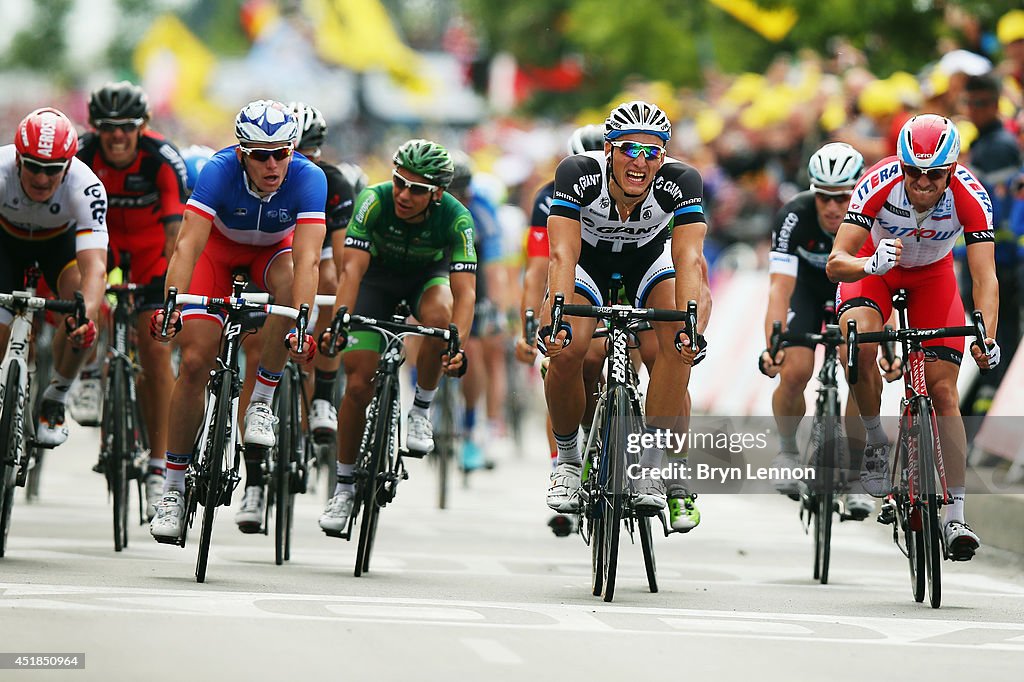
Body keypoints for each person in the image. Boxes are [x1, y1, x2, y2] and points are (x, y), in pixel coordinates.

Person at [148, 100, 326, 540]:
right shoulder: (218, 170)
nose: (272, 163)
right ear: (242, 152)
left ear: (292, 151)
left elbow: (307, 261)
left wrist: (302, 323)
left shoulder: (309, 177)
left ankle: (261, 400)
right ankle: (172, 489)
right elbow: (188, 245)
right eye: (260, 154)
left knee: (289, 286)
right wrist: (170, 305)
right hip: (218, 255)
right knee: (193, 362)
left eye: (281, 153)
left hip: (272, 256)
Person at [827, 114, 999, 561]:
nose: (923, 182)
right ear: (901, 165)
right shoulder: (879, 182)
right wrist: (869, 264)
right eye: (913, 171)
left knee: (944, 392)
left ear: (953, 168)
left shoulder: (971, 195)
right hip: (875, 272)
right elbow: (837, 260)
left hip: (933, 279)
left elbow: (985, 277)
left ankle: (956, 515)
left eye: (935, 173)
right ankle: (873, 445)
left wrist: (986, 335)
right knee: (860, 344)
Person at [542, 101, 708, 533]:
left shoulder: (681, 181)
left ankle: (654, 465)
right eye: (630, 149)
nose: (640, 161)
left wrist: (690, 323)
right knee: (570, 349)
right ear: (610, 149)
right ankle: (568, 459)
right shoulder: (578, 174)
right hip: (588, 264)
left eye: (652, 153)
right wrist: (557, 313)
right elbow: (562, 252)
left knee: (676, 346)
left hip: (646, 265)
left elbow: (689, 258)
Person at [318, 139, 474, 533]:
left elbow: (466, 292)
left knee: (440, 317)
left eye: (417, 189)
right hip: (375, 282)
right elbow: (350, 272)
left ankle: (421, 409)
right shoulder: (373, 199)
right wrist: (340, 321)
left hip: (426, 279)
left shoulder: (457, 218)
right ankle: (345, 486)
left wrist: (459, 345)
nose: (404, 194)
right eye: (399, 182)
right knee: (357, 384)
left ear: (437, 193)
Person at [76, 81, 188, 519]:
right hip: (101, 248)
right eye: (107, 128)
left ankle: (159, 464)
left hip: (149, 253)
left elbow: (176, 234)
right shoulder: (82, 156)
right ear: (95, 129)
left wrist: (170, 292)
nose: (117, 136)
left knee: (155, 350)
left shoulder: (162, 158)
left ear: (142, 126)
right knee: (85, 300)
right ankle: (87, 373)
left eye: (126, 127)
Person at [758, 142, 874, 519]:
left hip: (854, 292)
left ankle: (855, 475)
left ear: (857, 192)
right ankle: (788, 449)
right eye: (823, 196)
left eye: (842, 197)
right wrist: (773, 342)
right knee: (794, 370)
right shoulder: (794, 215)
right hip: (807, 292)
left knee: (856, 365)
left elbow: (883, 287)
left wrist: (885, 344)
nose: (832, 207)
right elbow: (779, 287)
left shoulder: (874, 216)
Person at [0, 108, 107, 447]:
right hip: (5, 243)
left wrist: (86, 314)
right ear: (18, 158)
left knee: (83, 317)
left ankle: (56, 397)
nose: (42, 179)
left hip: (58, 247)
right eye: (33, 167)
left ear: (68, 165)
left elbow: (95, 268)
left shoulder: (85, 185)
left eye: (52, 170)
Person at [285, 102, 356, 447]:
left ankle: (324, 396)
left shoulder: (334, 181)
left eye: (308, 154)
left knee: (330, 279)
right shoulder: (267, 169)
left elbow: (345, 259)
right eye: (292, 153)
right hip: (276, 243)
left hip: (321, 243)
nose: (298, 164)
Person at [446, 151, 505, 471]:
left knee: (473, 347)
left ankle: (470, 427)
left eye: (463, 193)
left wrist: (495, 307)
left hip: (473, 270)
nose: (459, 199)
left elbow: (493, 267)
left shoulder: (482, 210)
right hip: (439, 264)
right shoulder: (430, 205)